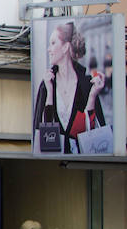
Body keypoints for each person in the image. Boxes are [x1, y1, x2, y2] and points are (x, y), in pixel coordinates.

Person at [33, 19, 106, 154]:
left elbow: (90, 133)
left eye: (53, 43)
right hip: (53, 160)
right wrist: (49, 93)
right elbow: (42, 131)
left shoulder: (86, 83)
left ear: (66, 47)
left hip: (80, 160)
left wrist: (92, 96)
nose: (49, 49)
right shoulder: (47, 84)